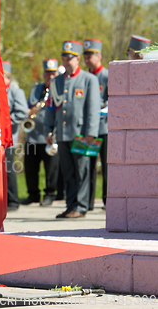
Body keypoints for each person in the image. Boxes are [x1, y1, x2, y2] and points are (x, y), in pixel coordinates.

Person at [44, 41, 100, 219]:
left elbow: (93, 108)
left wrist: (91, 131)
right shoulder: (57, 81)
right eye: (64, 58)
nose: (66, 62)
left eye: (70, 58)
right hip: (62, 133)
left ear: (77, 59)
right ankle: (70, 205)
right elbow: (51, 107)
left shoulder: (88, 79)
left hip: (81, 133)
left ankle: (81, 206)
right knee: (67, 172)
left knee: (82, 171)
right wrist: (48, 130)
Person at [22, 59, 60, 207]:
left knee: (51, 169)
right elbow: (30, 104)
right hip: (33, 134)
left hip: (50, 135)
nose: (50, 77)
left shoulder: (60, 88)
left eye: (53, 74)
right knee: (30, 168)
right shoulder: (36, 88)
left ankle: (50, 194)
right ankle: (33, 194)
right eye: (47, 74)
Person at [83, 39, 108, 211]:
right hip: (89, 130)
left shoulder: (107, 75)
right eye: (84, 55)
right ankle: (88, 202)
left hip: (104, 129)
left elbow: (112, 99)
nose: (86, 59)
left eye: (90, 55)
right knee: (88, 166)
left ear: (99, 56)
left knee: (106, 167)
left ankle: (108, 202)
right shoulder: (84, 77)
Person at [3, 61, 28, 212]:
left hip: (8, 136)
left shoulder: (15, 92)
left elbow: (22, 112)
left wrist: (4, 121)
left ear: (9, 78)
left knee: (8, 168)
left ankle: (12, 200)